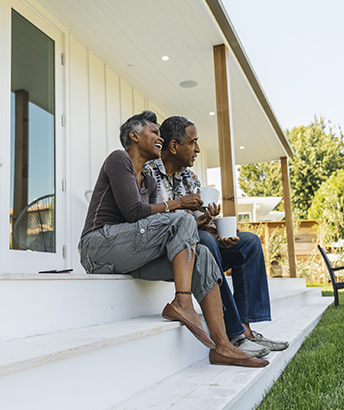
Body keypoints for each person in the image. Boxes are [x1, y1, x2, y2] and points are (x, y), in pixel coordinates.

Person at [78, 111, 267, 367]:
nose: (160, 138)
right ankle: (182, 301)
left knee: (202, 256)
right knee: (183, 219)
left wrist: (197, 221)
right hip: (98, 247)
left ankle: (223, 345)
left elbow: (152, 225)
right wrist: (179, 205)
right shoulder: (118, 159)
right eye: (154, 132)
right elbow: (134, 213)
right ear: (134, 136)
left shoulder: (149, 181)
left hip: (130, 254)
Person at [144, 115, 289, 357]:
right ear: (173, 146)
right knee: (207, 243)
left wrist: (215, 227)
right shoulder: (148, 173)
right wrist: (201, 228)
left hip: (200, 242)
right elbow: (149, 222)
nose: (198, 149)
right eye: (193, 142)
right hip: (170, 252)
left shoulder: (190, 178)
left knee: (249, 243)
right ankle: (233, 334)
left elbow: (201, 221)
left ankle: (246, 329)